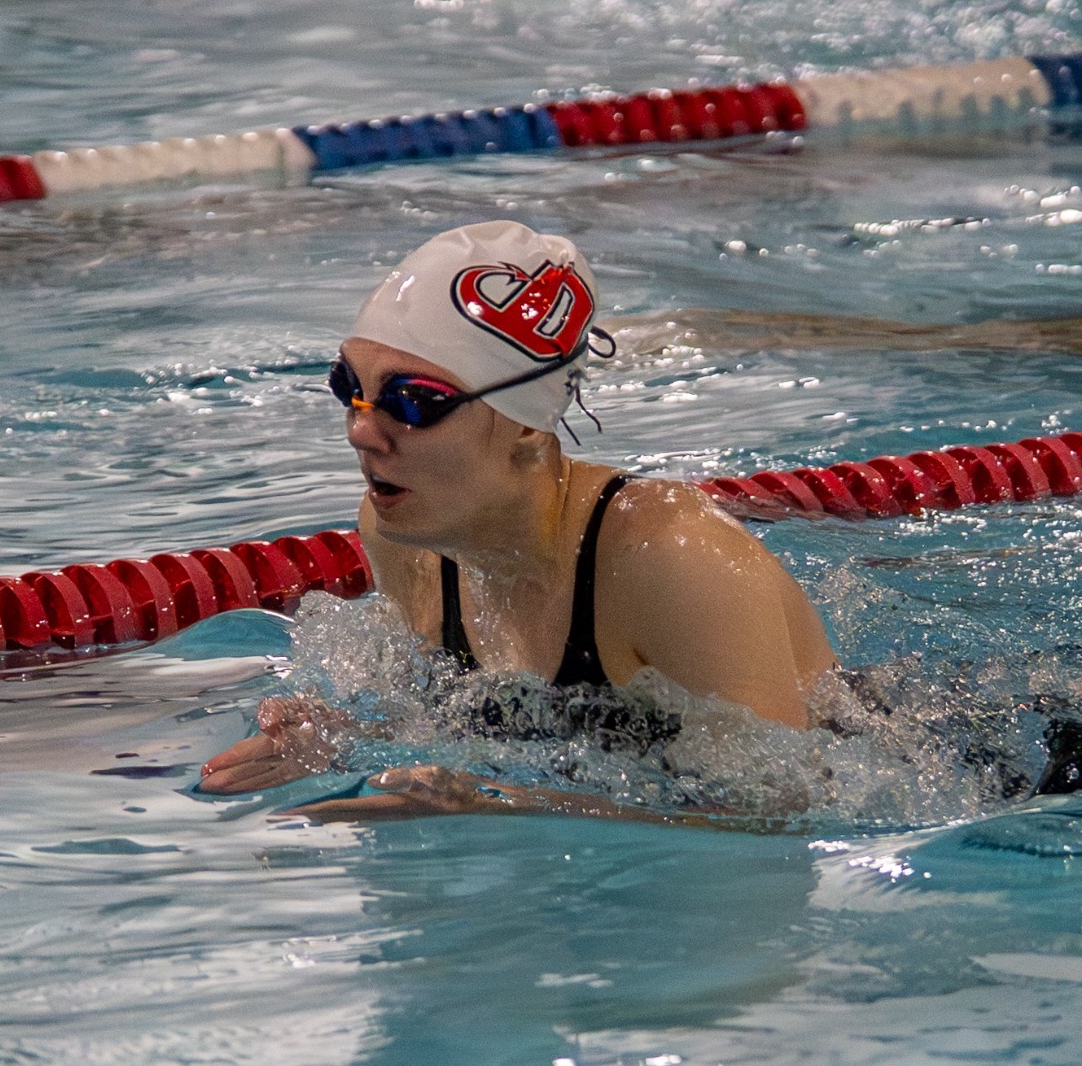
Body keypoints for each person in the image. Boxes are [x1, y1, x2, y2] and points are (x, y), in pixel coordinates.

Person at [197, 221, 837, 819]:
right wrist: (350, 740)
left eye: (414, 402)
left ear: (528, 426)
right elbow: (464, 730)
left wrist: (499, 804)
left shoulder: (671, 558)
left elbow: (781, 812)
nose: (362, 431)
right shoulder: (408, 535)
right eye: (350, 387)